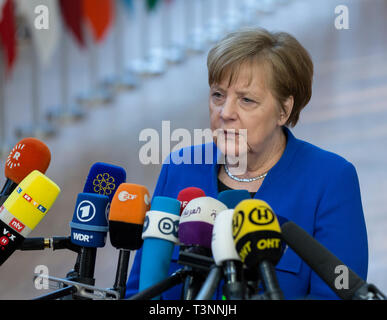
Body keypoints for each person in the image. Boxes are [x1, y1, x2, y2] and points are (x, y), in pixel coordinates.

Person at [125, 28, 368, 300]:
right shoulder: (180, 167)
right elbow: (140, 290)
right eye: (218, 95)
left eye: (247, 100)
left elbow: (339, 296)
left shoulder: (331, 180)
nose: (225, 113)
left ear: (283, 110)